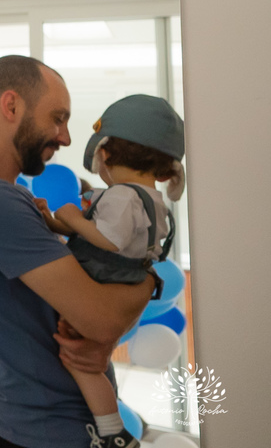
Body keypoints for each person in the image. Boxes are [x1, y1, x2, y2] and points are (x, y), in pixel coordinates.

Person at [0, 56, 157, 448]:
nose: (66, 137)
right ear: (11, 106)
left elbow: (91, 315)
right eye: (58, 118)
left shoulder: (7, 196)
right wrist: (150, 279)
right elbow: (102, 321)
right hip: (36, 435)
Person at [39, 94, 185, 448]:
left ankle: (112, 431)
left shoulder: (122, 196)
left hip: (102, 274)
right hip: (127, 276)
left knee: (80, 362)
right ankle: (112, 429)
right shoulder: (152, 199)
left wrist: (71, 217)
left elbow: (108, 239)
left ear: (104, 153)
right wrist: (54, 223)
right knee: (90, 363)